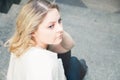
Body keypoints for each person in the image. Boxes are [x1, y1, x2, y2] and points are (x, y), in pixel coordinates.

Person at [6, 0, 87, 80]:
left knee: (71, 59)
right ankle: (82, 66)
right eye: (51, 26)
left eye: (59, 21)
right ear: (32, 30)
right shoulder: (48, 65)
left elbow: (70, 45)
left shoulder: (20, 45)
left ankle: (81, 66)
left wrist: (54, 24)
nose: (60, 28)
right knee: (74, 62)